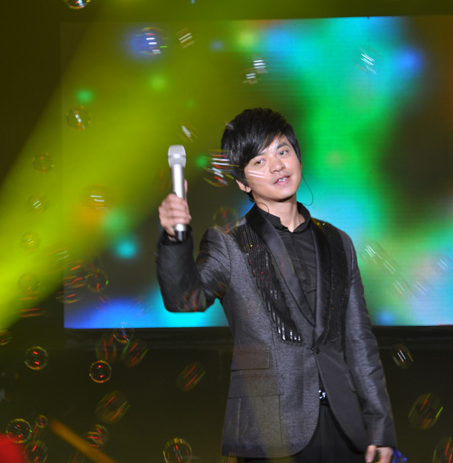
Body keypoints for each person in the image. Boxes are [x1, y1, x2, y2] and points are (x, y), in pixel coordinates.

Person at [156, 108, 396, 463]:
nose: (277, 166)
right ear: (242, 182)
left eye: (283, 151)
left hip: (345, 428)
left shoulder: (338, 241)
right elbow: (183, 299)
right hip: (271, 430)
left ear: (298, 156)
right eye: (259, 160)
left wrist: (380, 425)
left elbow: (359, 340)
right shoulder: (229, 243)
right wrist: (174, 238)